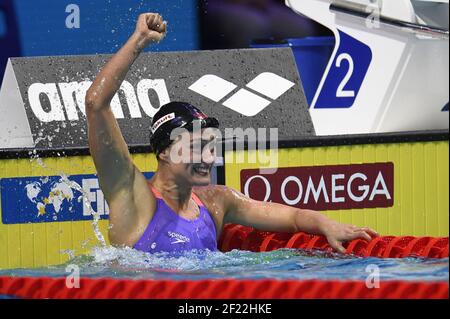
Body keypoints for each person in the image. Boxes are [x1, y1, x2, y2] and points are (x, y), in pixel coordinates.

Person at [85, 13, 378, 255]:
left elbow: (290, 217)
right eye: (198, 146)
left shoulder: (216, 201)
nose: (209, 157)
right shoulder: (133, 199)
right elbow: (96, 104)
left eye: (211, 146)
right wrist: (139, 41)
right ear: (164, 150)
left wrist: (326, 224)